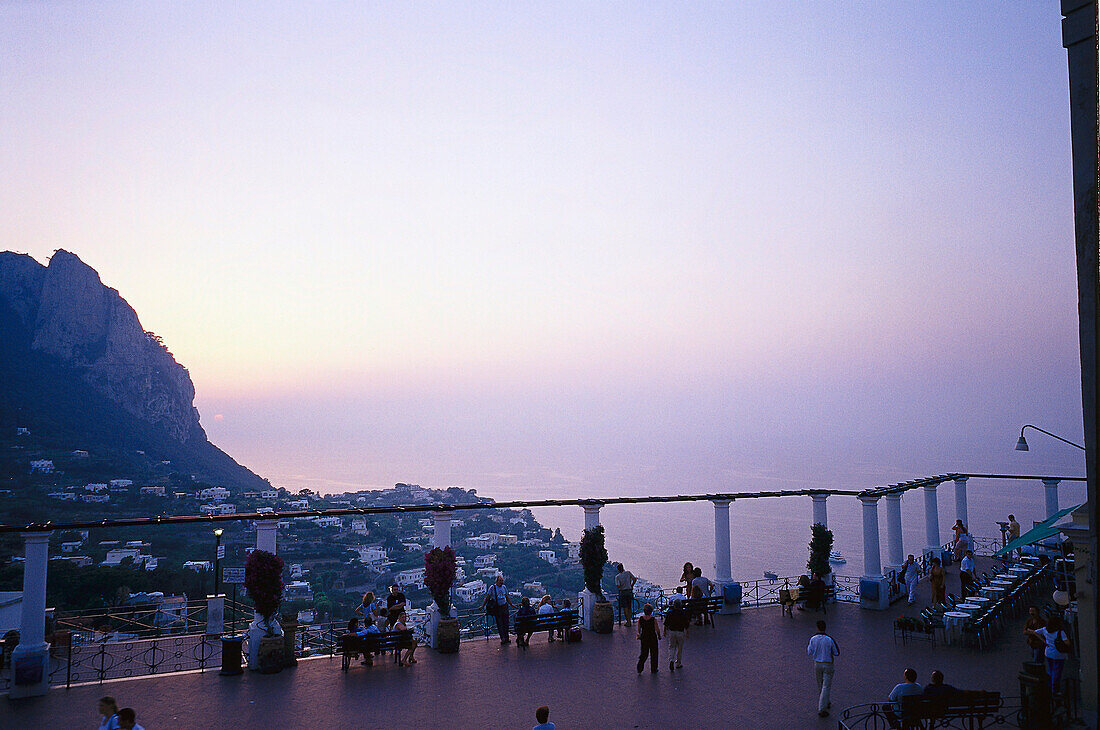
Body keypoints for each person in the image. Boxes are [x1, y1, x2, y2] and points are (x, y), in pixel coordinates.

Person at [1028, 613, 1071, 694]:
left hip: (1048, 653)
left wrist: (1044, 641)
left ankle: (1050, 686)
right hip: (1058, 654)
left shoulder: (1045, 630)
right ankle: (1055, 689)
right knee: (1057, 671)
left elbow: (1034, 632)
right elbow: (1067, 643)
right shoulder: (1061, 632)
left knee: (1051, 670)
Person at [806, 619, 840, 718]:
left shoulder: (813, 639)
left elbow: (809, 651)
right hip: (828, 663)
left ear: (817, 627)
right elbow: (837, 652)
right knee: (826, 686)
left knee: (820, 684)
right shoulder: (829, 639)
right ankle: (822, 707)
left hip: (817, 664)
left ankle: (826, 701)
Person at [481, 574, 515, 644]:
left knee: (506, 623)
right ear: (497, 581)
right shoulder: (492, 588)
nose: (501, 582)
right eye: (500, 580)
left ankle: (506, 637)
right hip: (498, 608)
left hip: (504, 606)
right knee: (500, 623)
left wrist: (511, 604)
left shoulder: (504, 587)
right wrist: (483, 605)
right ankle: (503, 638)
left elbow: (507, 596)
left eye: (502, 581)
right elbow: (487, 597)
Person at [664, 594, 690, 670]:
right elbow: (686, 624)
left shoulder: (670, 613)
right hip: (680, 632)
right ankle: (678, 663)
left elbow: (666, 623)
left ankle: (671, 659)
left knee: (672, 646)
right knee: (680, 647)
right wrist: (687, 633)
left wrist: (664, 631)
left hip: (672, 632)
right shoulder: (682, 614)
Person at [636, 603, 661, 674]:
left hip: (644, 637)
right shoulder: (653, 619)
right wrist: (659, 636)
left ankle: (640, 667)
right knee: (654, 653)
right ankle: (654, 668)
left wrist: (639, 635)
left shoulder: (640, 619)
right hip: (652, 637)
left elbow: (639, 629)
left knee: (644, 653)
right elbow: (657, 629)